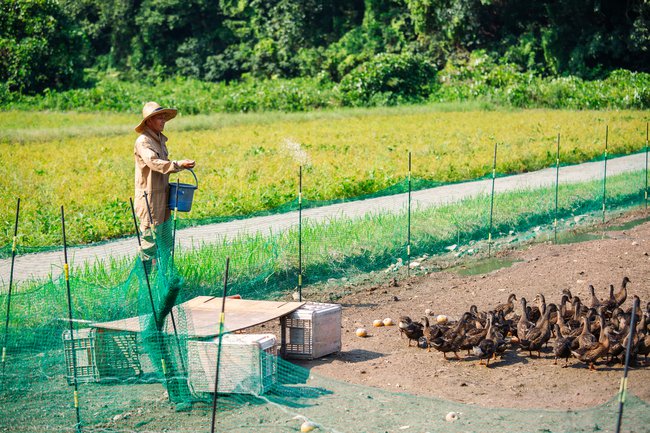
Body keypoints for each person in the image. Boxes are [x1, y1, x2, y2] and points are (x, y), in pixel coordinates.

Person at [134, 101, 195, 266]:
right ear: (148, 121)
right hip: (149, 198)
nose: (163, 121)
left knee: (166, 242)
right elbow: (154, 162)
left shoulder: (160, 140)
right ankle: (144, 284)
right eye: (158, 118)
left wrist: (178, 166)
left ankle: (164, 278)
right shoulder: (143, 141)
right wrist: (177, 164)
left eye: (163, 117)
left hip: (164, 196)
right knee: (150, 243)